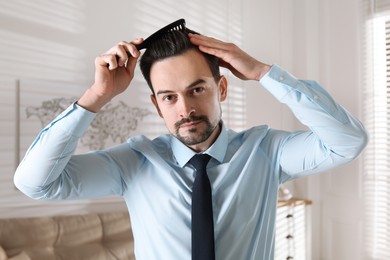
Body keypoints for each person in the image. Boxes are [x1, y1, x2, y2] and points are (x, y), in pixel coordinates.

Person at [14, 25, 368, 260]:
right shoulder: (132, 162)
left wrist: (263, 72)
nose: (185, 109)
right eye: (168, 97)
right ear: (156, 104)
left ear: (222, 88)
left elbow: (348, 141)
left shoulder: (268, 152)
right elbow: (35, 184)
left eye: (197, 89)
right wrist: (96, 95)